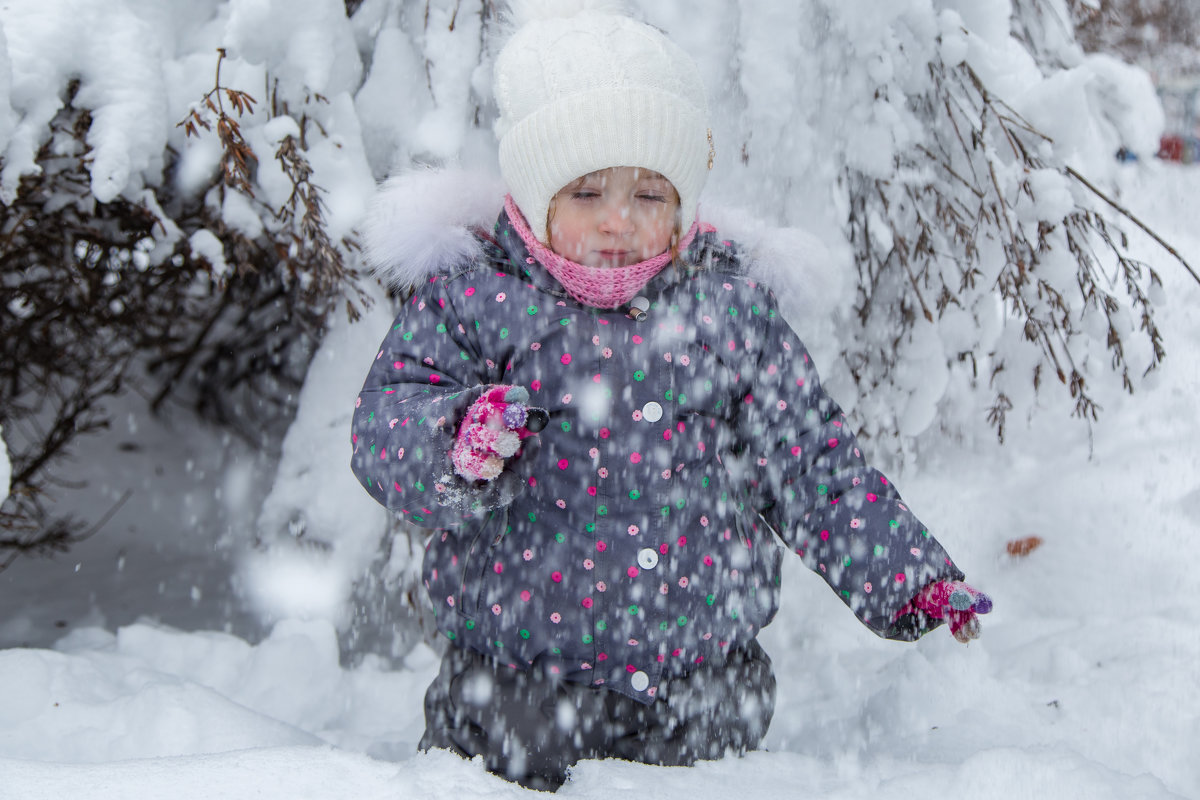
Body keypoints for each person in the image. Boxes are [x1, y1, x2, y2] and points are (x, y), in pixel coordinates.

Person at [350, 4, 991, 791]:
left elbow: (816, 468)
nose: (619, 220)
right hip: (512, 696)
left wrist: (910, 577)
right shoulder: (474, 298)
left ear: (684, 204)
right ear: (532, 194)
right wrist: (456, 442)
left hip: (702, 696)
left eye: (650, 195)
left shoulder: (729, 312)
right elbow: (385, 427)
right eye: (587, 191)